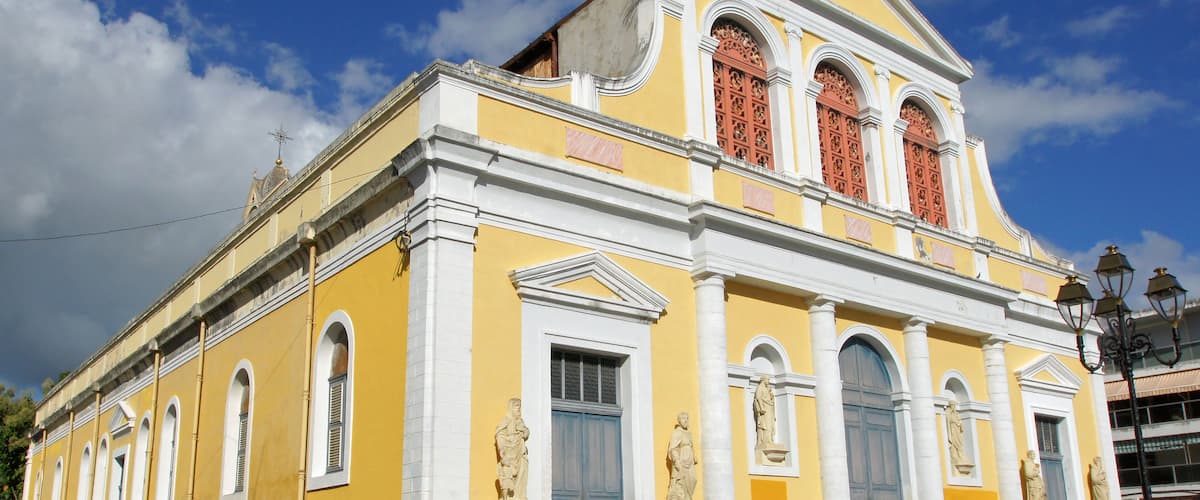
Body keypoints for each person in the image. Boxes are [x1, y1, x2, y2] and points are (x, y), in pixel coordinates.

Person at [495, 398, 529, 500]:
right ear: (511, 408)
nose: (519, 409)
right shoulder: (505, 420)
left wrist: (523, 430)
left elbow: (526, 433)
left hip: (520, 452)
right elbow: (499, 435)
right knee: (509, 478)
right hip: (510, 454)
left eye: (519, 407)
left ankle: (519, 497)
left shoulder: (520, 421)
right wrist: (501, 449)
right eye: (516, 406)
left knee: (521, 475)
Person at [667, 412, 697, 500]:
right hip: (682, 462)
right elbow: (673, 448)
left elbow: (691, 446)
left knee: (693, 479)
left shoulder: (688, 433)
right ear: (679, 420)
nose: (686, 420)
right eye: (683, 418)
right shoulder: (677, 433)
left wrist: (694, 456)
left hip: (690, 462)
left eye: (687, 418)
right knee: (681, 484)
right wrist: (676, 460)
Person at [753, 376, 776, 447]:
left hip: (769, 408)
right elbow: (758, 397)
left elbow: (769, 398)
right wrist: (761, 408)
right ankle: (765, 440)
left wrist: (771, 396)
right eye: (768, 379)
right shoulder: (760, 387)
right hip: (765, 409)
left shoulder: (767, 389)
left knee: (770, 425)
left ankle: (769, 440)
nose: (768, 381)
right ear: (763, 380)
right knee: (766, 424)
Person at [946, 401, 968, 470]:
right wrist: (955, 422)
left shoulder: (956, 413)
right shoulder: (948, 413)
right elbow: (949, 420)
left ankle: (961, 456)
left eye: (954, 405)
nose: (954, 407)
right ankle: (956, 456)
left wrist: (959, 423)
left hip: (957, 430)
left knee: (959, 442)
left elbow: (959, 422)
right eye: (952, 405)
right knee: (954, 441)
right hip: (952, 430)